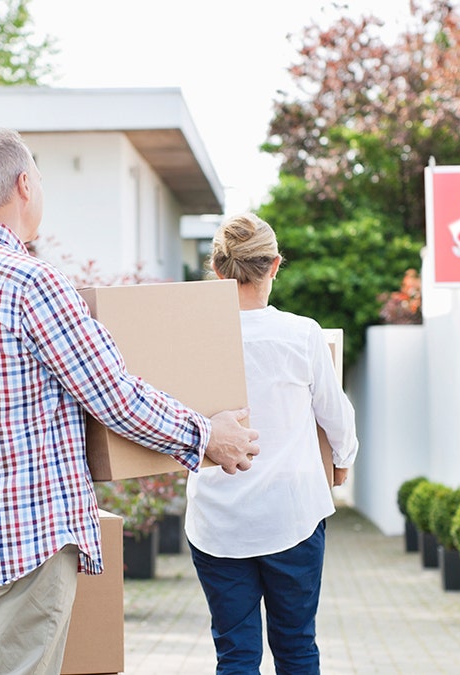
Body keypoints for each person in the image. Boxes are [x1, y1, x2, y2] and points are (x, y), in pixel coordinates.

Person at [0, 127, 260, 675]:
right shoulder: (30, 283)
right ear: (25, 185)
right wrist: (207, 434)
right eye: (39, 179)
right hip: (29, 534)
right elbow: (113, 395)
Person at [185, 212, 359, 675]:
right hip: (292, 517)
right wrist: (342, 462)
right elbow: (337, 417)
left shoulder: (194, 339)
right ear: (275, 265)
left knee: (236, 654)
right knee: (297, 647)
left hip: (217, 522)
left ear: (217, 269)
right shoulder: (302, 334)